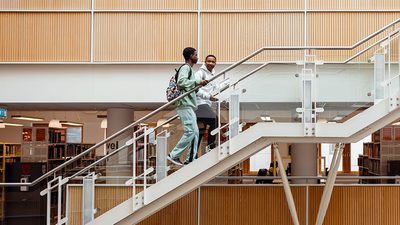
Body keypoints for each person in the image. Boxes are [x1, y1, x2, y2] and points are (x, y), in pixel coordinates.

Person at [167, 47, 208, 166]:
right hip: (184, 104)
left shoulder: (190, 70)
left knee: (195, 132)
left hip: (188, 104)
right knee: (191, 131)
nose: (197, 57)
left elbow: (189, 85)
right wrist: (197, 82)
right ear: (190, 56)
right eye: (196, 55)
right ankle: (174, 155)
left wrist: (198, 84)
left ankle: (190, 159)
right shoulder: (185, 68)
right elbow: (181, 82)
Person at [195, 55, 219, 153]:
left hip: (206, 104)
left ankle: (194, 153)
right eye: (208, 61)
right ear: (205, 62)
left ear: (215, 63)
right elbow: (195, 89)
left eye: (213, 62)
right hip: (199, 103)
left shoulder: (213, 75)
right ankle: (210, 145)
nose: (210, 63)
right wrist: (208, 97)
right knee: (215, 119)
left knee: (201, 130)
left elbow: (215, 87)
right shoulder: (199, 73)